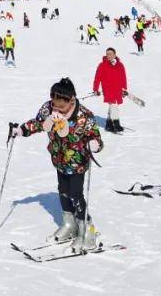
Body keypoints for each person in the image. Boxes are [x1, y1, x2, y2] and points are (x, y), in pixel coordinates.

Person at [11, 78, 102, 248]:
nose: (57, 109)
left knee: (76, 194)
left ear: (72, 100)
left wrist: (94, 145)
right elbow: (38, 123)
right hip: (59, 159)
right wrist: (22, 130)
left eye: (61, 106)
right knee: (63, 191)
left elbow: (95, 136)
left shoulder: (84, 116)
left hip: (77, 163)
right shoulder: (48, 109)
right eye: (55, 104)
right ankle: (69, 224)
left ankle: (86, 229)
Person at [92, 48, 128, 133]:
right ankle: (116, 124)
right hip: (108, 89)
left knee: (113, 106)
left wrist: (124, 88)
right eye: (107, 54)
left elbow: (123, 77)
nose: (109, 55)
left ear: (115, 55)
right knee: (114, 105)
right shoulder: (102, 65)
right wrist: (95, 89)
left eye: (111, 54)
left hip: (118, 89)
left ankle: (108, 124)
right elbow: (97, 78)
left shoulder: (120, 65)